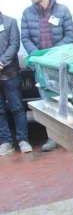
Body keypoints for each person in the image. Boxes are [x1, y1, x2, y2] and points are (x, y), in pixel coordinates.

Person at [21, 0, 73, 152]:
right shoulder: (27, 13)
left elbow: (70, 36)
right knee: (47, 101)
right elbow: (25, 38)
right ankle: (53, 138)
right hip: (40, 66)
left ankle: (70, 138)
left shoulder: (62, 10)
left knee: (65, 101)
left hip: (59, 64)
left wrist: (52, 55)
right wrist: (38, 57)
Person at [0, 11, 31, 155]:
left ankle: (23, 141)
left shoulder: (10, 22)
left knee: (17, 108)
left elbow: (14, 44)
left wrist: (2, 62)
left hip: (10, 74)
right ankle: (6, 142)